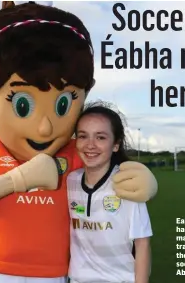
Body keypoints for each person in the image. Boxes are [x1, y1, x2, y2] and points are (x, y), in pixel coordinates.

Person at [0, 2, 157, 283]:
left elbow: (103, 166)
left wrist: (142, 178)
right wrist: (17, 180)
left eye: (63, 104)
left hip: (51, 272)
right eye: (22, 104)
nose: (45, 126)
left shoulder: (73, 151)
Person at [67, 102, 153, 283]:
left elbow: (142, 244)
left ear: (115, 145)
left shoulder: (127, 184)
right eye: (83, 136)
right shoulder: (70, 181)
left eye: (100, 138)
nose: (90, 145)